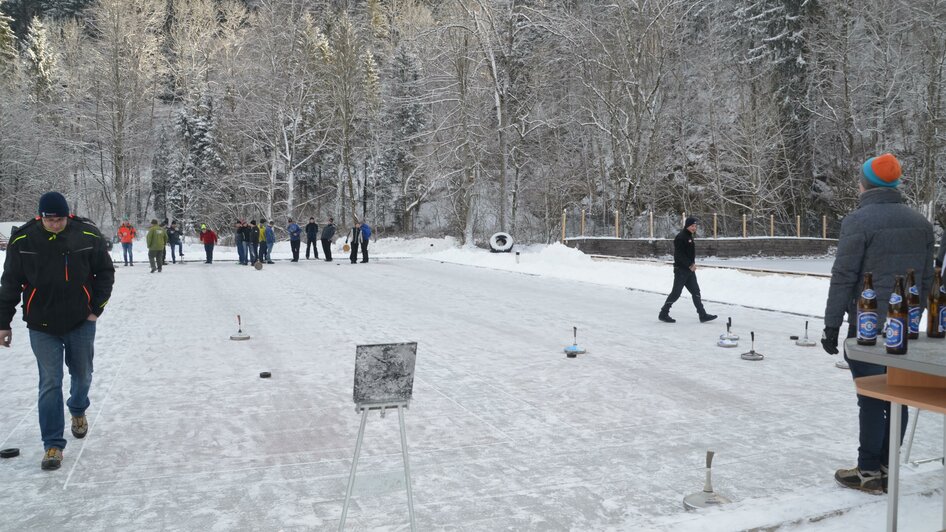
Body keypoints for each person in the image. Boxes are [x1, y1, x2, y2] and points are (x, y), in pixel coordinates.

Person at [821, 153, 934, 494]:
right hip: (907, 329)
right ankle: (888, 466)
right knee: (898, 396)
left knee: (870, 398)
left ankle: (869, 471)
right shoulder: (921, 224)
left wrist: (831, 325)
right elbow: (928, 279)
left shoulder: (858, 221)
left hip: (869, 328)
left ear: (865, 184)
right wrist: (914, 319)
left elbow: (844, 276)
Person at [0, 192, 115, 470]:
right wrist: (3, 323)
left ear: (68, 215)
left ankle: (78, 409)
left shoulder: (86, 234)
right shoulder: (24, 239)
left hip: (80, 321)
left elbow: (105, 272)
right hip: (41, 324)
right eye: (49, 220)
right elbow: (10, 283)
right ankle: (52, 444)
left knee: (83, 373)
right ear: (40, 216)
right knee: (50, 382)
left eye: (60, 219)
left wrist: (95, 309)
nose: (55, 224)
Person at [658, 217, 717, 323]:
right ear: (687, 226)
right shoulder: (681, 237)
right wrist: (690, 264)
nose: (694, 228)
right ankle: (663, 313)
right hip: (681, 270)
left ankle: (702, 315)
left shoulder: (689, 236)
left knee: (696, 292)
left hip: (689, 271)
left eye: (695, 226)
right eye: (692, 226)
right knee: (676, 293)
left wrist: (691, 265)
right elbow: (679, 255)